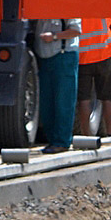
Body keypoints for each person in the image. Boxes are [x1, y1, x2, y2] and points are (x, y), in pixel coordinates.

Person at [34, 18, 81, 153]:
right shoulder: (39, 7)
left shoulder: (67, 5)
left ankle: (62, 142)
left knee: (63, 102)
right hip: (45, 57)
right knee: (46, 104)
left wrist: (54, 36)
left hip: (63, 56)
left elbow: (76, 31)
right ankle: (53, 141)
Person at [75, 17, 111, 137]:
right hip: (104, 55)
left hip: (83, 58)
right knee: (107, 98)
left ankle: (86, 135)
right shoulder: (100, 5)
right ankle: (110, 134)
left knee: (84, 99)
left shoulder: (77, 8)